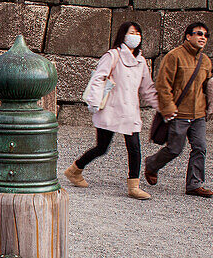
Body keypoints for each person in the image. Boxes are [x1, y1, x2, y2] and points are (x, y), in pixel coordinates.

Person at [64, 23, 158, 200]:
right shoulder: (113, 55)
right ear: (123, 35)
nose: (135, 36)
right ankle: (74, 170)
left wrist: (160, 106)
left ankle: (134, 186)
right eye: (132, 33)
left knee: (134, 147)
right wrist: (93, 101)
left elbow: (147, 88)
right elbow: (99, 78)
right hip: (111, 109)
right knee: (102, 147)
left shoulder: (140, 61)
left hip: (130, 111)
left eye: (138, 33)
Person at [143, 22, 213, 197]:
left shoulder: (205, 61)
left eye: (205, 35)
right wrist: (168, 108)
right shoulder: (174, 56)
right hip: (179, 113)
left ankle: (194, 185)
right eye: (198, 33)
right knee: (174, 149)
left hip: (198, 114)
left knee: (200, 147)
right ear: (188, 36)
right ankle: (152, 164)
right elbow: (163, 84)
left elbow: (207, 85)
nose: (202, 37)